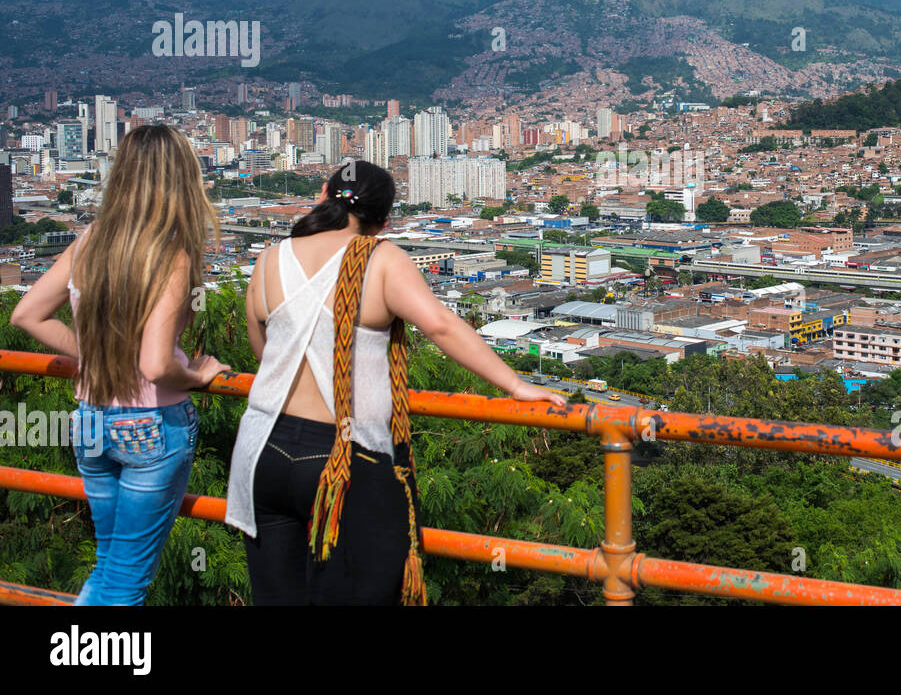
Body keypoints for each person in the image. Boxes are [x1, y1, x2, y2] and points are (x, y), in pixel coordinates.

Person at [227, 160, 564, 605]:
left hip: (261, 451)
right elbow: (441, 326)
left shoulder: (271, 258)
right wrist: (515, 386)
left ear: (325, 192)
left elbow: (264, 349)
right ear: (384, 220)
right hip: (338, 457)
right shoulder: (382, 259)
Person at [12, 124, 230, 605]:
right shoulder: (172, 255)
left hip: (90, 418)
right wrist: (197, 374)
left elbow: (27, 314)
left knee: (109, 564)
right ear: (182, 179)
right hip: (150, 424)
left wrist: (95, 355)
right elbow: (155, 365)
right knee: (126, 580)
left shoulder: (89, 240)